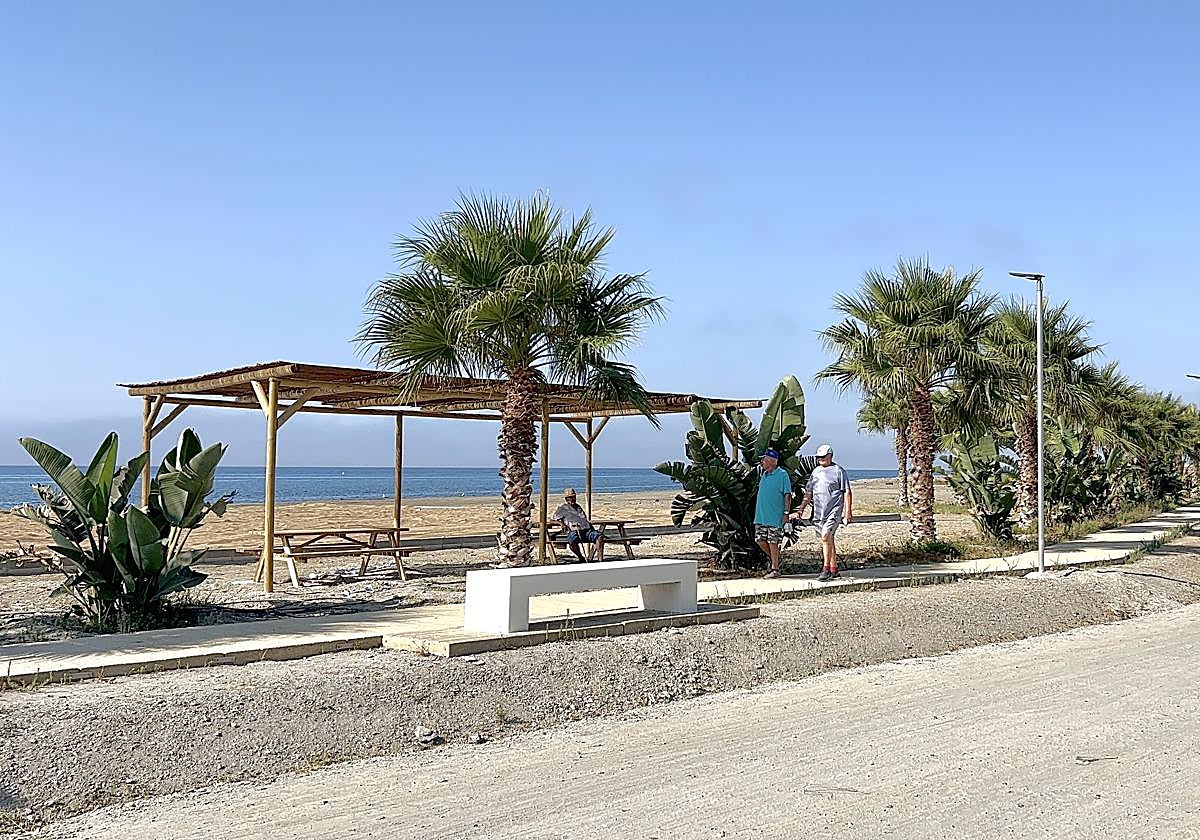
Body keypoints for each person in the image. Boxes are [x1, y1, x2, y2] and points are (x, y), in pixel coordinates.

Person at [794, 443, 852, 581]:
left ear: (830, 456)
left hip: (834, 510)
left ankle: (825, 569)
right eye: (818, 458)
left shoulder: (839, 471)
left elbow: (847, 492)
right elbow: (809, 492)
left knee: (826, 536)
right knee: (827, 539)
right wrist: (801, 508)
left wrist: (847, 512)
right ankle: (834, 569)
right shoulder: (815, 472)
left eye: (823, 457)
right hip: (819, 512)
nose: (820, 460)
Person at [754, 447, 793, 579]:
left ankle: (775, 568)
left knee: (773, 541)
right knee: (759, 540)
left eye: (764, 460)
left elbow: (787, 495)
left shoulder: (782, 474)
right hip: (761, 516)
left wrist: (786, 513)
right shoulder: (763, 475)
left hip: (775, 516)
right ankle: (775, 559)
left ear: (771, 461)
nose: (762, 463)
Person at [550, 488, 605, 563]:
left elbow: (584, 520)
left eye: (573, 497)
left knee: (599, 537)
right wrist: (561, 524)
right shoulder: (563, 508)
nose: (572, 499)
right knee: (572, 541)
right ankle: (580, 557)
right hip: (574, 531)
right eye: (570, 497)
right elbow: (551, 520)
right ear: (566, 499)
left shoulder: (578, 507)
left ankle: (600, 560)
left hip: (587, 530)